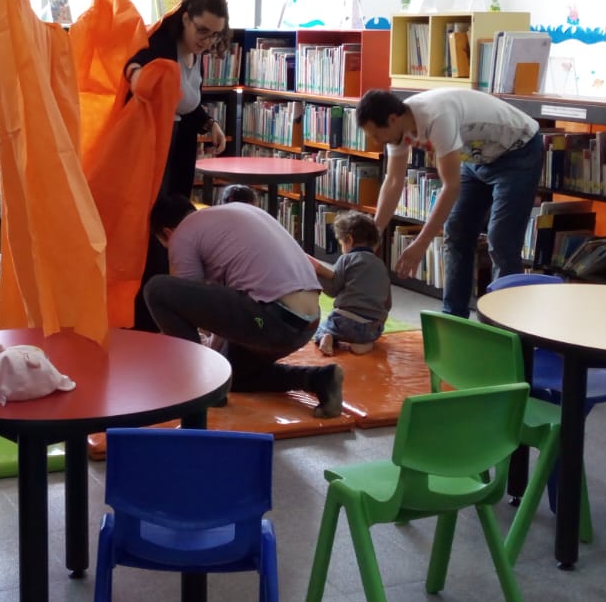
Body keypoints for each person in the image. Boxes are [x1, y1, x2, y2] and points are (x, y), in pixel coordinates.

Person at [145, 195, 345, 418]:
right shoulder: (236, 212)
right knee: (231, 376)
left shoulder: (183, 234)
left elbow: (186, 304)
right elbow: (225, 307)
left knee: (157, 290)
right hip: (306, 324)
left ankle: (198, 389)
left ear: (166, 233)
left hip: (268, 319)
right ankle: (319, 378)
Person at [358, 88, 543, 318]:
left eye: (376, 134)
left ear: (392, 119)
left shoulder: (436, 117)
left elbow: (451, 187)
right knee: (457, 233)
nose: (376, 141)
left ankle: (504, 323)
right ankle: (453, 317)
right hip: (477, 159)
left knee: (502, 240)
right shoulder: (398, 130)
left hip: (518, 151)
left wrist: (421, 243)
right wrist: (374, 235)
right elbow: (394, 181)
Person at [127, 0, 230, 329]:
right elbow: (133, 66)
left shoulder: (194, 54)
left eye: (215, 35)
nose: (207, 40)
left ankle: (165, 307)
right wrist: (138, 78)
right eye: (202, 30)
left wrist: (209, 122)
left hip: (175, 148)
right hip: (148, 152)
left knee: (171, 228)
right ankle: (145, 315)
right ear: (185, 18)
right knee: (152, 231)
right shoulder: (160, 43)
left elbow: (186, 101)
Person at [309, 212, 391, 356]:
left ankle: (327, 337)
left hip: (344, 322)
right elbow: (388, 303)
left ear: (349, 240)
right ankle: (363, 344)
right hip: (371, 327)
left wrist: (317, 274)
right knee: (371, 334)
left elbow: (333, 289)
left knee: (322, 327)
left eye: (341, 243)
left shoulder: (346, 259)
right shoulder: (380, 265)